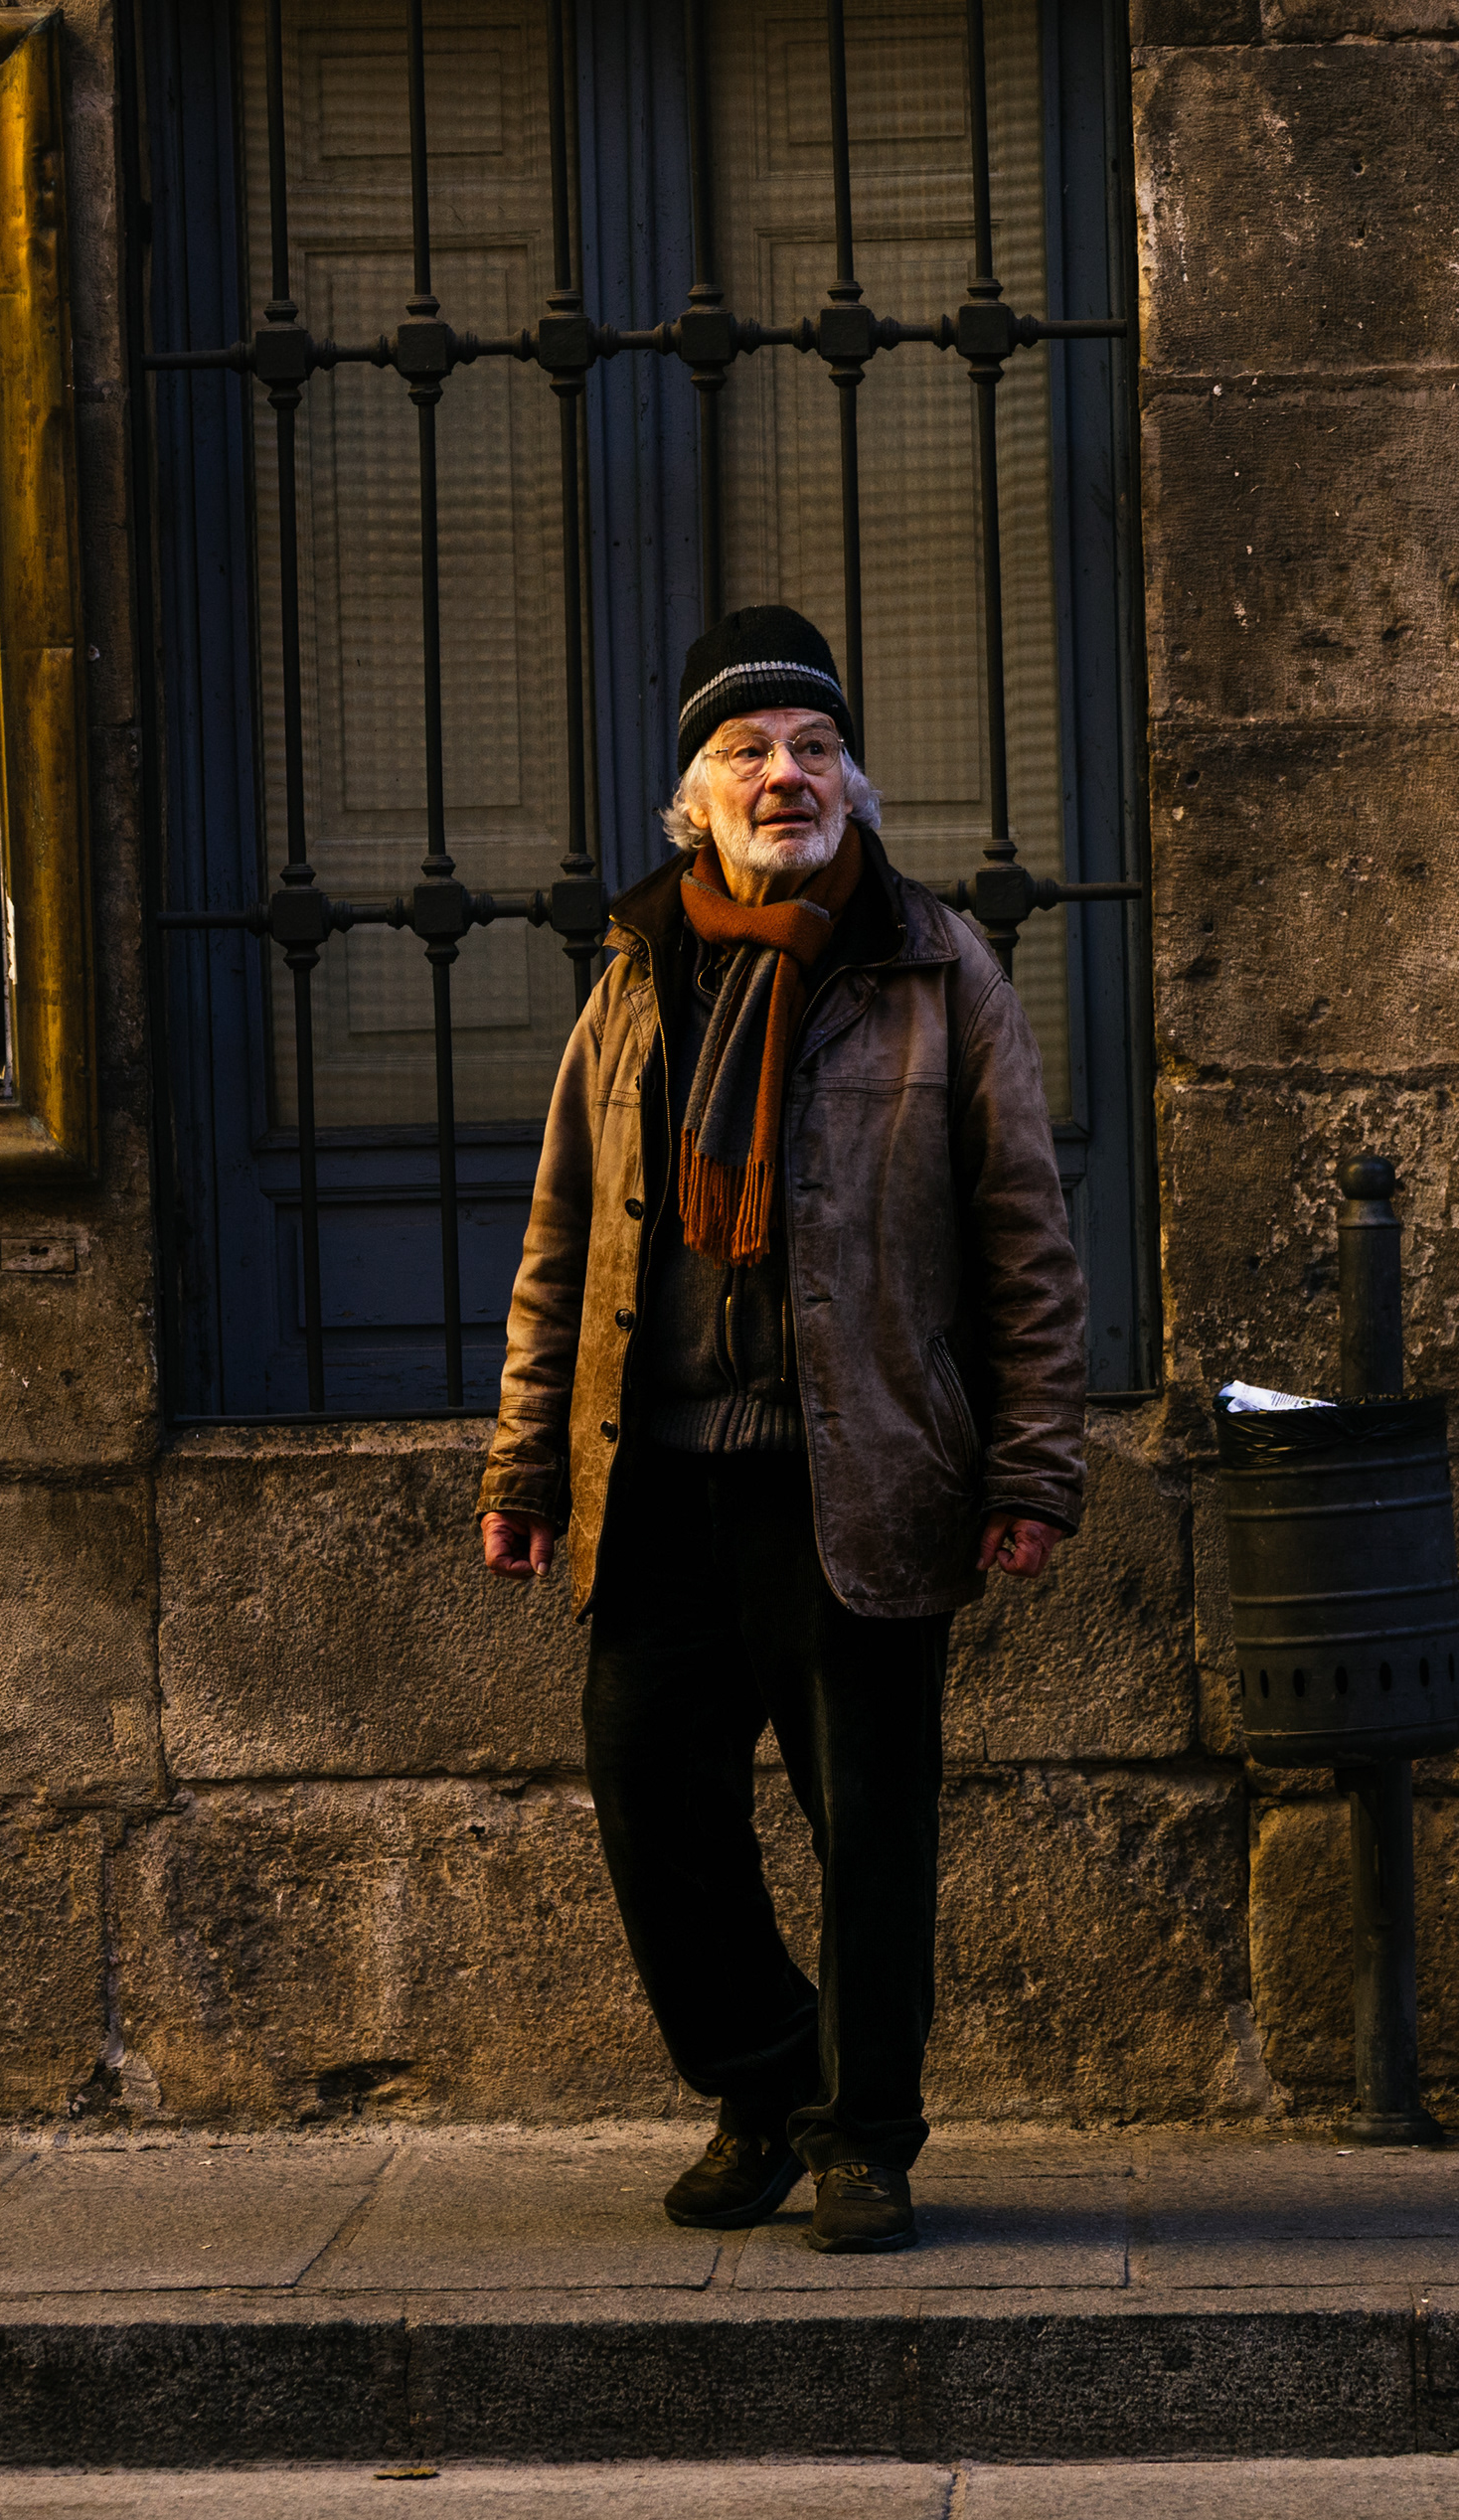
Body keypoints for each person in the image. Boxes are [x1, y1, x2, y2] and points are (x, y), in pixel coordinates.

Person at [476, 604, 1087, 2259]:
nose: (785, 776)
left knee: (869, 1827)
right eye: (748, 751)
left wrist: (1032, 1464)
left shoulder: (936, 968)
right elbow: (562, 1238)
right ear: (697, 794)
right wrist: (527, 1459)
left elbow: (1024, 1239)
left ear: (853, 782)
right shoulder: (635, 977)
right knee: (653, 1808)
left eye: (816, 748)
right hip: (660, 1476)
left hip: (857, 1469)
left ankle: (863, 2136)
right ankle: (765, 2087)